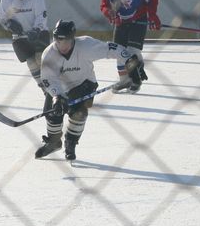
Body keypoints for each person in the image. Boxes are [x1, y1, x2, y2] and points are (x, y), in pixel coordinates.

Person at [36, 20, 144, 161]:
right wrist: (57, 96)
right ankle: (54, 142)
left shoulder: (86, 45)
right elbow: (48, 79)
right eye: (58, 41)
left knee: (79, 113)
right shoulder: (49, 55)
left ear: (73, 38)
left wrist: (130, 62)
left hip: (85, 83)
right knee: (52, 113)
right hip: (60, 87)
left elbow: (112, 48)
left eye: (66, 41)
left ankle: (71, 142)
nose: (62, 46)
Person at [100, 0, 159, 92]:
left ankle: (136, 73)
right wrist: (109, 13)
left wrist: (152, 15)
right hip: (121, 21)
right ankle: (125, 80)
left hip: (139, 19)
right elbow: (104, 4)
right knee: (118, 51)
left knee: (132, 50)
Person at [0, 0, 51, 114]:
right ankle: (46, 91)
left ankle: (53, 87)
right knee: (31, 62)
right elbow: (1, 17)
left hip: (39, 34)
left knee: (41, 59)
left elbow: (41, 16)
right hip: (20, 37)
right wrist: (9, 24)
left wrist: (36, 29)